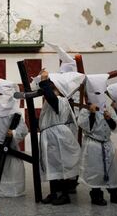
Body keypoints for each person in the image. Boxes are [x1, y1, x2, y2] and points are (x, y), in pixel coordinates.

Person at [36, 69, 83, 205]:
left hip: (58, 137)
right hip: (51, 136)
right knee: (53, 167)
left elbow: (51, 97)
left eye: (53, 85)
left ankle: (64, 195)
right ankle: (54, 193)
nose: (51, 87)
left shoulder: (60, 100)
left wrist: (44, 81)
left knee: (60, 166)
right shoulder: (52, 100)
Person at [78, 74, 117, 206]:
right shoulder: (86, 110)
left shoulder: (107, 108)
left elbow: (116, 127)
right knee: (96, 171)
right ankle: (96, 195)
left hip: (107, 144)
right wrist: (92, 114)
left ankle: (115, 194)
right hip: (93, 144)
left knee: (113, 171)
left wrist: (109, 118)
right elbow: (86, 127)